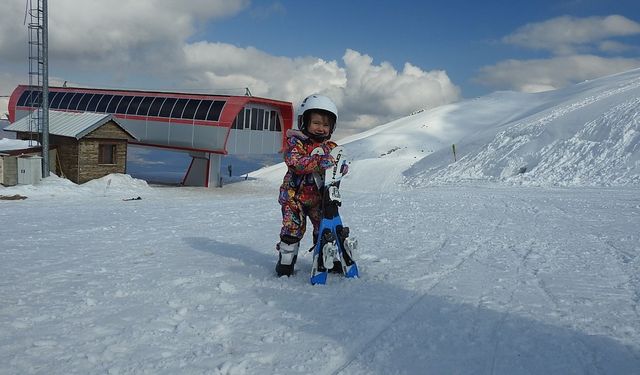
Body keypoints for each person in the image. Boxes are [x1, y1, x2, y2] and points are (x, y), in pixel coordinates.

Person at [275, 94, 341, 277]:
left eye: (326, 125)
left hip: (319, 198)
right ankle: (286, 261)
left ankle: (324, 258)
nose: (321, 128)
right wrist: (320, 162)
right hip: (293, 196)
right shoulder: (296, 143)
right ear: (304, 121)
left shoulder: (331, 147)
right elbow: (295, 162)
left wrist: (340, 165)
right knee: (293, 228)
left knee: (324, 227)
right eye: (316, 123)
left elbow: (339, 162)